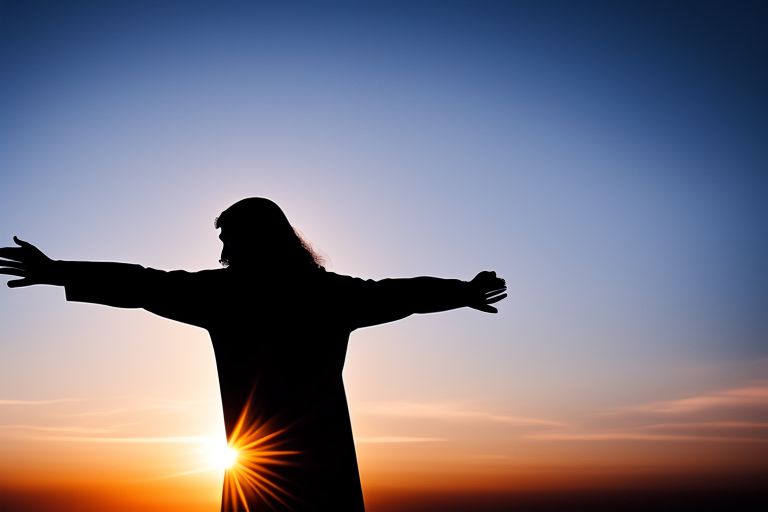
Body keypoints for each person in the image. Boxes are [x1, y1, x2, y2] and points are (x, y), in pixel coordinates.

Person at [0, 197, 507, 511]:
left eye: (228, 239)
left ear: (246, 241)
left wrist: (59, 270)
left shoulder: (228, 295)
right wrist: (462, 290)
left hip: (257, 461)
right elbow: (401, 293)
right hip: (315, 460)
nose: (222, 250)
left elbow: (143, 283)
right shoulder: (328, 294)